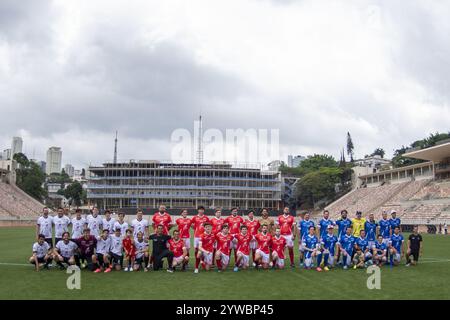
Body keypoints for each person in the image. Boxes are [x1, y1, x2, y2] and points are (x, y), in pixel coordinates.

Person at [191, 206, 210, 272]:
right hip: (196, 236)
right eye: (200, 210)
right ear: (198, 210)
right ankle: (198, 263)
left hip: (204, 236)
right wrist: (196, 229)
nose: (201, 211)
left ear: (204, 211)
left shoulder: (206, 218)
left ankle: (202, 261)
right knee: (196, 250)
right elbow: (192, 224)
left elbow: (208, 226)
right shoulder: (195, 217)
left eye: (202, 210)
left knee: (203, 249)